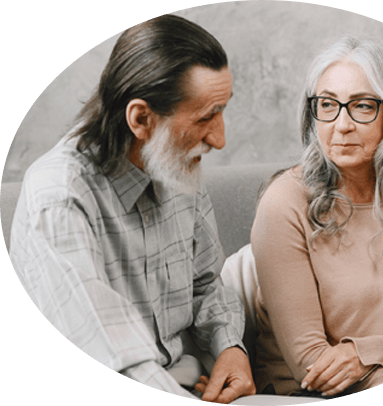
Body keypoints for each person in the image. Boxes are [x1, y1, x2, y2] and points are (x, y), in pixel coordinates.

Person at [10, 15, 255, 403]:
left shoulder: (175, 166)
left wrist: (230, 348)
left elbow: (207, 286)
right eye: (206, 116)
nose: (220, 139)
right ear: (141, 119)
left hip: (189, 382)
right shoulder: (59, 197)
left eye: (222, 110)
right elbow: (115, 360)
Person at [251, 34, 383, 398]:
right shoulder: (284, 201)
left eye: (362, 106)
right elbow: (310, 363)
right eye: (327, 104)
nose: (341, 124)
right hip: (301, 393)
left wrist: (366, 352)